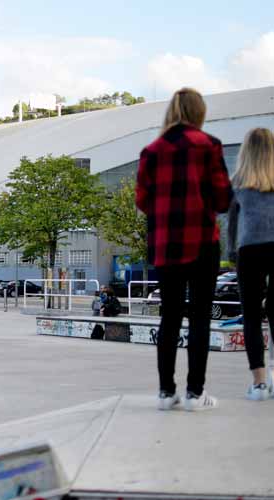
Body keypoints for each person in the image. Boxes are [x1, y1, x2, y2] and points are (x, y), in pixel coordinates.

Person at [136, 87, 232, 412]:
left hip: (166, 244)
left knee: (171, 316)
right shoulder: (209, 146)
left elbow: (142, 201)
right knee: (200, 318)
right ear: (199, 113)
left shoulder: (151, 151)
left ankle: (165, 393)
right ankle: (195, 394)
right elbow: (222, 198)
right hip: (203, 241)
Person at [227, 128, 274, 401]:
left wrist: (231, 253)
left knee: (252, 317)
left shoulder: (238, 182)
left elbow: (231, 223)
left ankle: (258, 383)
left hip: (250, 249)